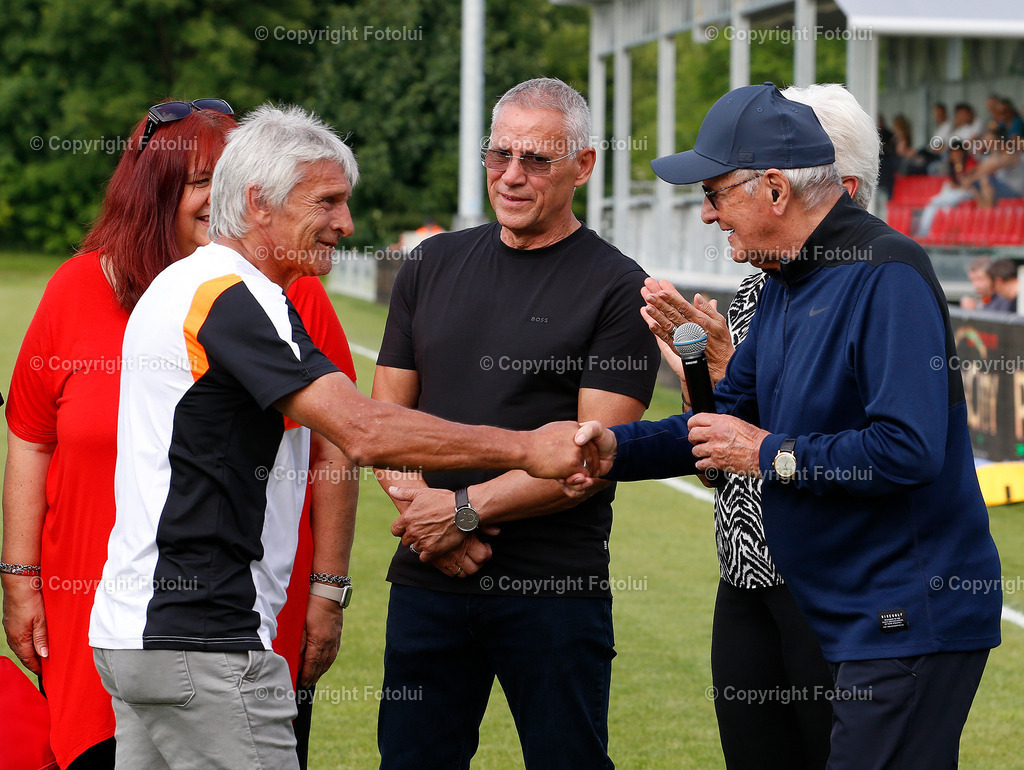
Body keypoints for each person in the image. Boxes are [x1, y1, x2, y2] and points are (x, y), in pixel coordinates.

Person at [85, 104, 595, 770]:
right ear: (259, 204)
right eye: (327, 201)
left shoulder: (201, 285)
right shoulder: (231, 295)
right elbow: (361, 429)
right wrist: (530, 449)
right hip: (202, 642)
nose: (346, 224)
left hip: (141, 637)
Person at [572, 83, 1002, 770]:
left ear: (774, 189)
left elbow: (908, 450)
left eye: (715, 192)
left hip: (908, 615)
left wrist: (770, 455)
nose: (708, 215)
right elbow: (722, 421)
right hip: (853, 615)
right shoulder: (785, 281)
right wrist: (608, 450)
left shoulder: (886, 273)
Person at [2, 99, 358, 770]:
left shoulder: (290, 287)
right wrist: (19, 577)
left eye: (231, 178)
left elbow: (339, 437)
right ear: (153, 192)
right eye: (202, 180)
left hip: (236, 609)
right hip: (105, 610)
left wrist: (328, 589)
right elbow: (30, 433)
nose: (221, 197)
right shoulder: (79, 288)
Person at [372, 77, 658, 769]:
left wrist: (462, 513)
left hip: (552, 590)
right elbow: (383, 422)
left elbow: (591, 459)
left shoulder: (620, 287)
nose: (512, 176)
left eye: (537, 160)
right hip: (427, 576)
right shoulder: (431, 263)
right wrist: (429, 521)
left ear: (584, 166)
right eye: (500, 155)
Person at [641, 83, 880, 770]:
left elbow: (860, 441)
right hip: (743, 567)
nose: (718, 213)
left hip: (828, 579)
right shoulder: (760, 283)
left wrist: (722, 360)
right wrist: (699, 378)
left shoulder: (876, 281)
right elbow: (720, 453)